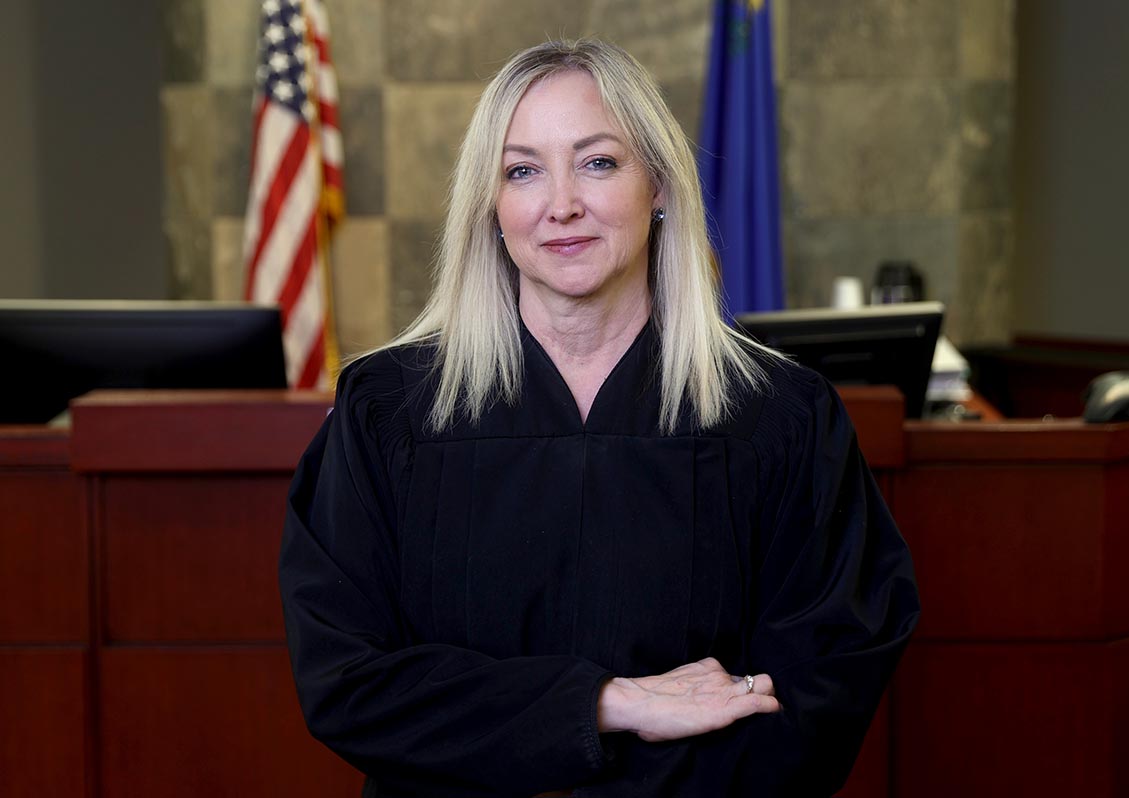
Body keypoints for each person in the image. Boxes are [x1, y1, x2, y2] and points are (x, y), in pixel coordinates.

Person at [279, 39, 919, 798]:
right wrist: (609, 704)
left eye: (598, 162)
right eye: (522, 171)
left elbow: (813, 697)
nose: (561, 205)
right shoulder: (389, 411)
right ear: (490, 205)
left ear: (660, 185)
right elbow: (349, 682)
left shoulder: (778, 416)